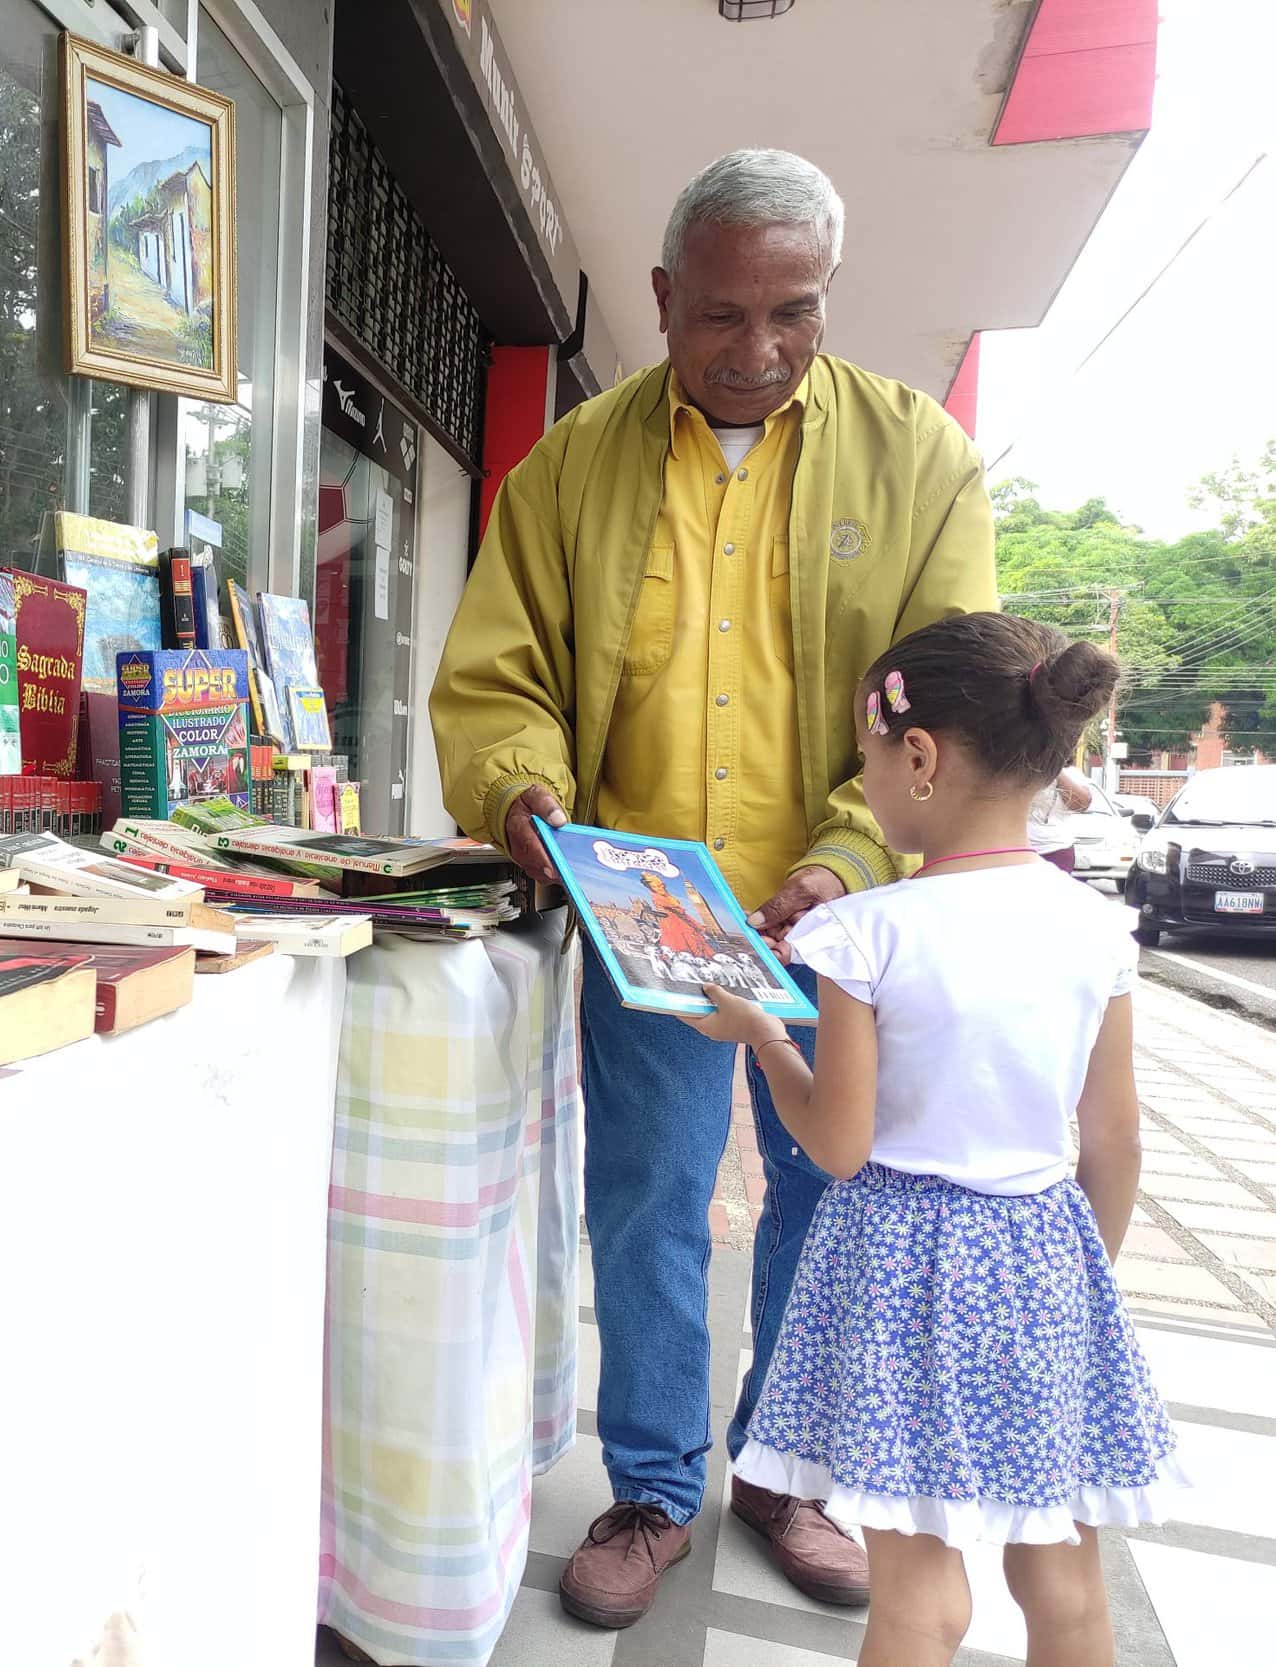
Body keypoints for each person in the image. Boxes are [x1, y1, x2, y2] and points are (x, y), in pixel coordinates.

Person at [431, 148, 999, 1626]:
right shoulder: (571, 465)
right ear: (665, 298)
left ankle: (788, 1470)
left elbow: (947, 688)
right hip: (655, 918)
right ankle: (654, 1483)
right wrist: (527, 793)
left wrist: (848, 854)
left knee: (827, 1195)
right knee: (649, 1204)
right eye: (723, 317)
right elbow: (503, 676)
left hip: (843, 917)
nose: (758, 351)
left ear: (827, 300)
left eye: (793, 314)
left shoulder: (919, 458)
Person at [684, 613, 1184, 1667]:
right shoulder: (1095, 928)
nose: (864, 784)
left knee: (919, 1596)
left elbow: (838, 1146)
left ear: (918, 755)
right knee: (1065, 1583)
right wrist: (1078, 1269)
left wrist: (766, 1036)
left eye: (863, 761)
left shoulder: (867, 931)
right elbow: (1117, 1136)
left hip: (902, 1271)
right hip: (1047, 1254)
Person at [1028, 765, 1095, 874]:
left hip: (1056, 849)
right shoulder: (1016, 768)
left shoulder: (1070, 773)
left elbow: (1082, 804)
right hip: (1015, 848)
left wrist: (1055, 768)